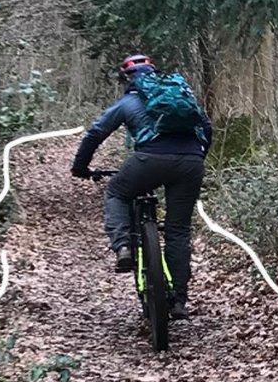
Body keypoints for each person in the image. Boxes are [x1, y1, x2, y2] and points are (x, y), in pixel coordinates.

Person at [69, 54, 213, 318]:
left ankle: (123, 246)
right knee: (178, 230)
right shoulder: (179, 95)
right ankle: (179, 300)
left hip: (150, 158)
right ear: (154, 74)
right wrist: (196, 158)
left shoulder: (128, 102)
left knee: (116, 192)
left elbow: (95, 133)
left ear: (127, 79)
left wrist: (80, 167)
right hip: (191, 160)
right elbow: (206, 126)